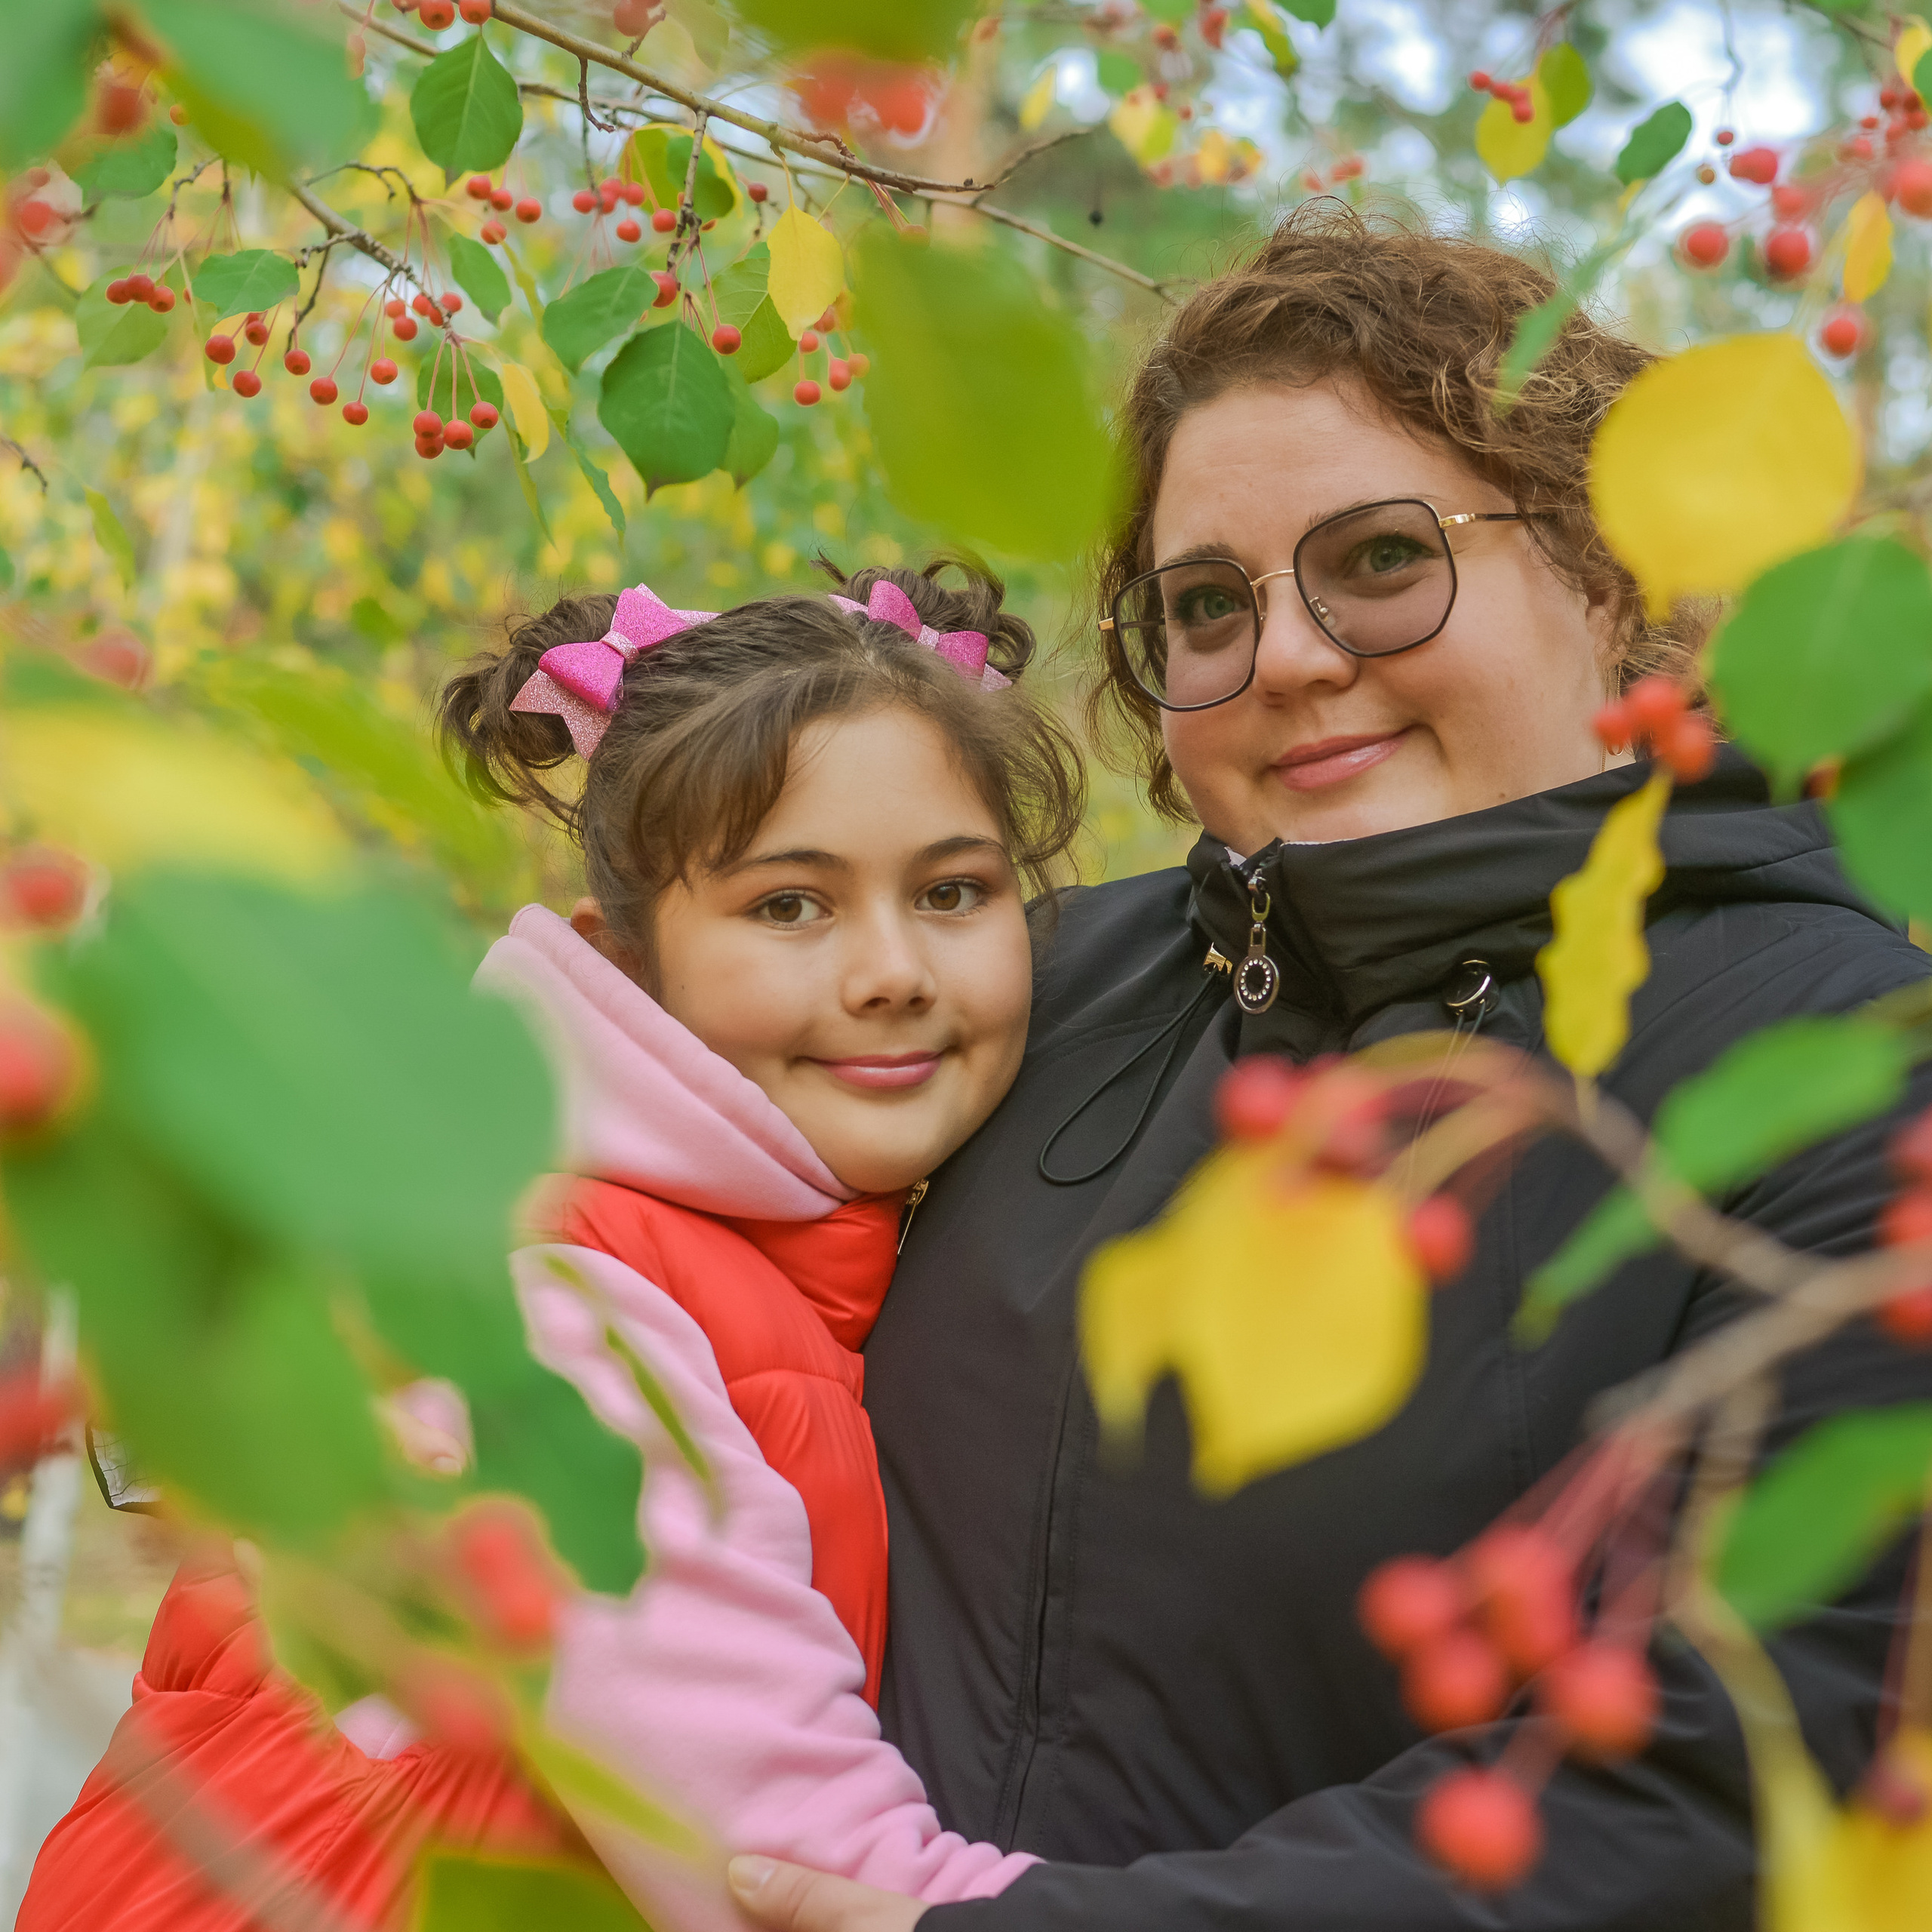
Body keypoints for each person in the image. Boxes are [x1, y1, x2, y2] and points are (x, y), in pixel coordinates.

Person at [722, 204, 1932, 1932]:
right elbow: (697, 1188)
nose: (1284, 654)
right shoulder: (1041, 982)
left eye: (1378, 557)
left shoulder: (1840, 1067)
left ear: (1605, 580)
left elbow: (1726, 1773)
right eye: (1204, 603)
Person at [20, 562, 1081, 1931]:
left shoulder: (719, 1256)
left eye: (952, 892)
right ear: (625, 965)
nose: (892, 969)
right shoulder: (569, 1293)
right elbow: (777, 1861)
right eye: (788, 906)